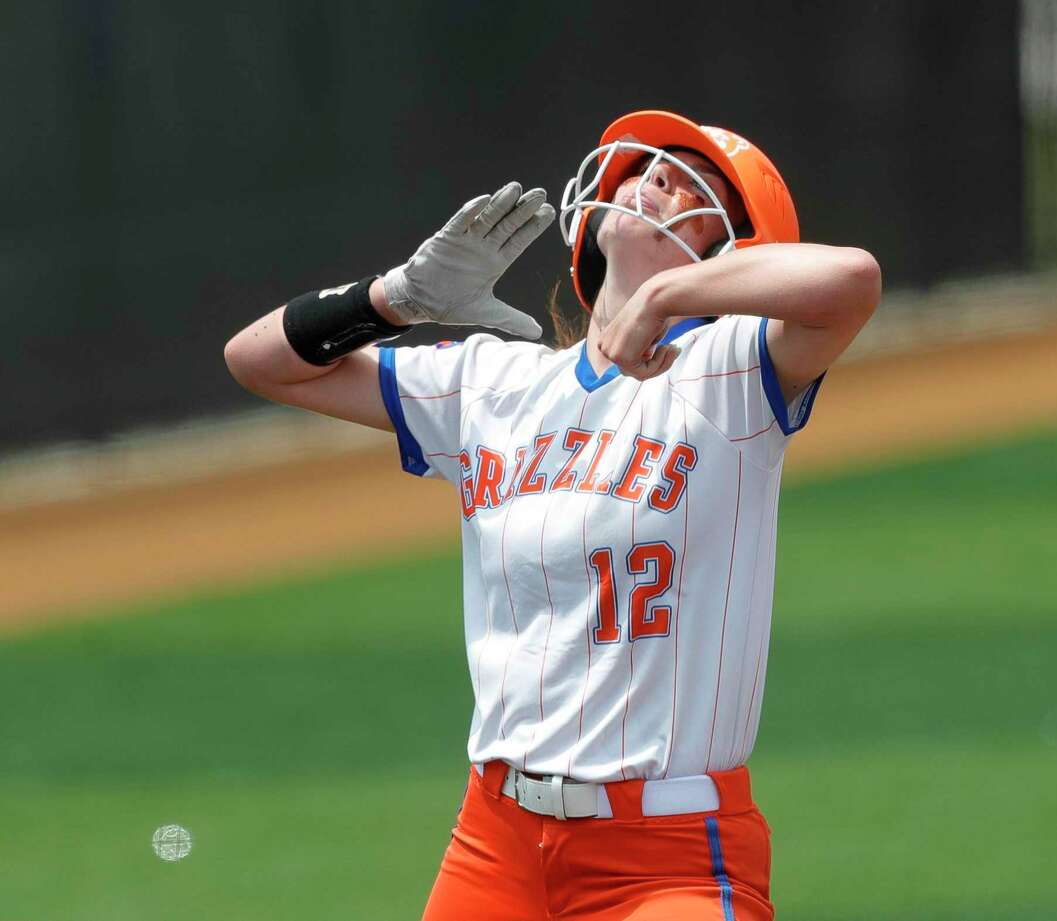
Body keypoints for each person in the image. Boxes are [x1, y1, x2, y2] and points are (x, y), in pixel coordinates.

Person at [224, 109, 880, 920]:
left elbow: (852, 280)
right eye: (649, 167)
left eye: (699, 185)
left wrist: (667, 295)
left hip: (666, 851)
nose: (660, 177)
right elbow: (258, 361)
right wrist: (399, 297)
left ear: (736, 253)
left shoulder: (732, 374)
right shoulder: (493, 384)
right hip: (493, 841)